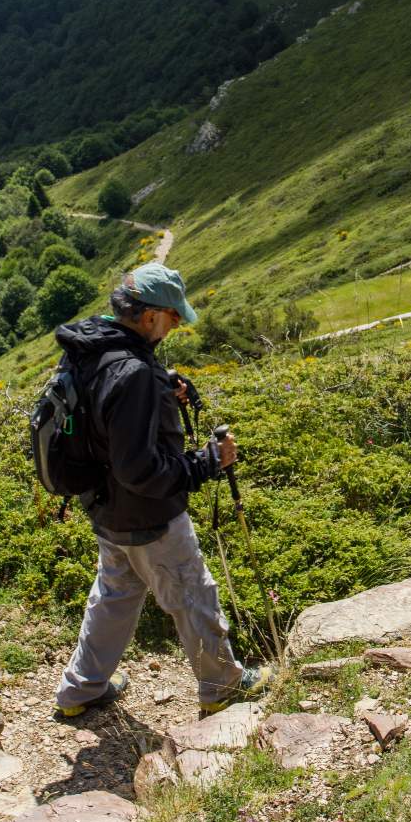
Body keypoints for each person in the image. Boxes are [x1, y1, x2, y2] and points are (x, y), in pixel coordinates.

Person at [52, 263, 273, 718]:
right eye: (173, 317)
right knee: (192, 593)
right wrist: (208, 461)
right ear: (150, 315)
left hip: (105, 506)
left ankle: (81, 690)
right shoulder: (133, 371)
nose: (176, 325)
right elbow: (142, 470)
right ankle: (222, 686)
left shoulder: (91, 346)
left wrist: (159, 391)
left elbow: (106, 419)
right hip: (148, 514)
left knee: (113, 596)